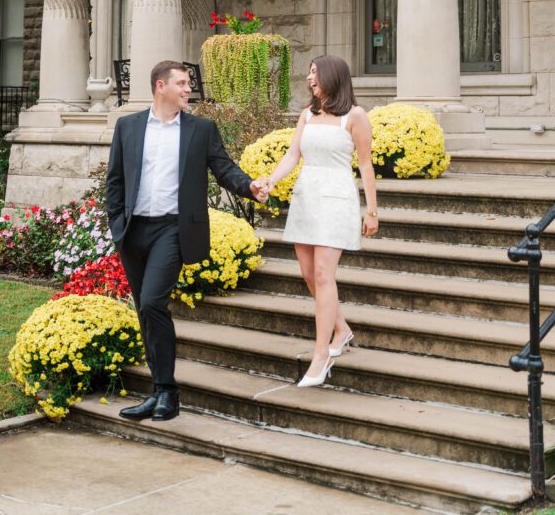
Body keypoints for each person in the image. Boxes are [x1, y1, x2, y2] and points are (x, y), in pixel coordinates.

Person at [106, 60, 267, 422]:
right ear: (160, 86)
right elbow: (115, 180)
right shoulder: (128, 127)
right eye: (180, 83)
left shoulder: (200, 130)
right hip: (134, 232)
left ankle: (168, 393)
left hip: (173, 230)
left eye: (188, 84)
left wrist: (250, 186)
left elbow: (224, 168)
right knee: (145, 313)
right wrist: (117, 225)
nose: (187, 89)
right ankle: (157, 392)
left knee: (152, 303)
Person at [264, 55, 379, 387]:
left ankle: (321, 355)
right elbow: (292, 155)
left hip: (337, 199)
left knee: (324, 274)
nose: (309, 77)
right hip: (306, 198)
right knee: (308, 273)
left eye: (315, 72)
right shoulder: (307, 115)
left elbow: (366, 165)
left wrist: (371, 210)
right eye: (310, 72)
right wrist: (271, 181)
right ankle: (341, 329)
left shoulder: (355, 116)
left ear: (332, 76)